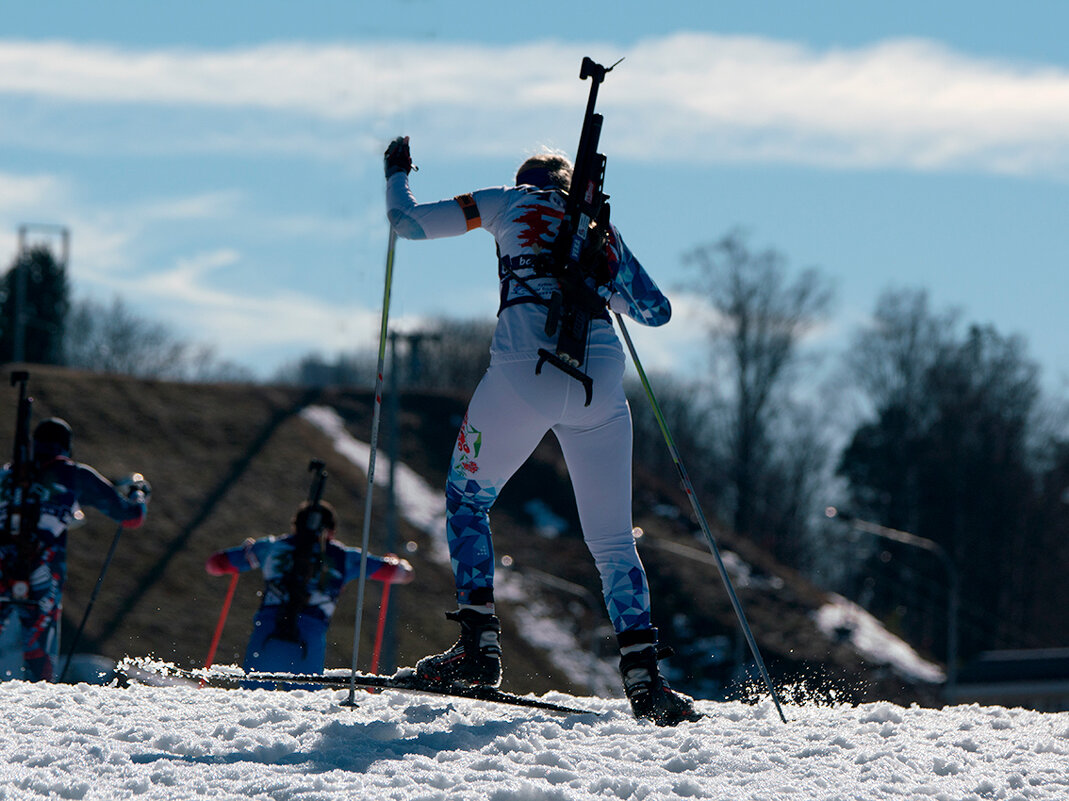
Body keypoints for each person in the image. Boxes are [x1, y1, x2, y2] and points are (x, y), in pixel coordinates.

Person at [384, 136, 700, 725]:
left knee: (466, 500)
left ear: (524, 180)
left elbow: (408, 222)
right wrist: (600, 276)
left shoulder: (507, 201)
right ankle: (645, 678)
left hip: (524, 371)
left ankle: (477, 649)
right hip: (598, 381)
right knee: (613, 541)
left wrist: (396, 174)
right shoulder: (599, 228)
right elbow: (655, 311)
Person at [0, 417, 149, 681]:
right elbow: (131, 517)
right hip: (43, 576)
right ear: (67, 447)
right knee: (39, 660)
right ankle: (40, 702)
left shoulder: (6, 474)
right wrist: (139, 493)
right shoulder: (75, 475)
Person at [205, 500, 414, 680]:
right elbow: (404, 574)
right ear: (332, 531)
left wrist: (245, 551)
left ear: (295, 525)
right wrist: (393, 561)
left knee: (251, 699)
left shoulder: (270, 547)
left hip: (267, 631)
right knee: (304, 704)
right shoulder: (345, 558)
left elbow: (214, 564)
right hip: (309, 638)